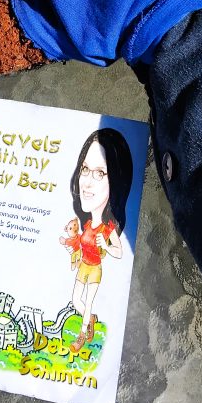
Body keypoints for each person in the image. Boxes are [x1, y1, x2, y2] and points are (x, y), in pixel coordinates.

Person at [67, 128, 133, 353]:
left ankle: (82, 335)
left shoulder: (108, 228)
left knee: (88, 302)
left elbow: (119, 252)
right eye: (85, 169)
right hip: (84, 267)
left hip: (95, 270)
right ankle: (91, 319)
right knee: (76, 300)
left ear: (117, 179)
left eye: (100, 173)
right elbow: (81, 246)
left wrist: (106, 245)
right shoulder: (85, 224)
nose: (86, 182)